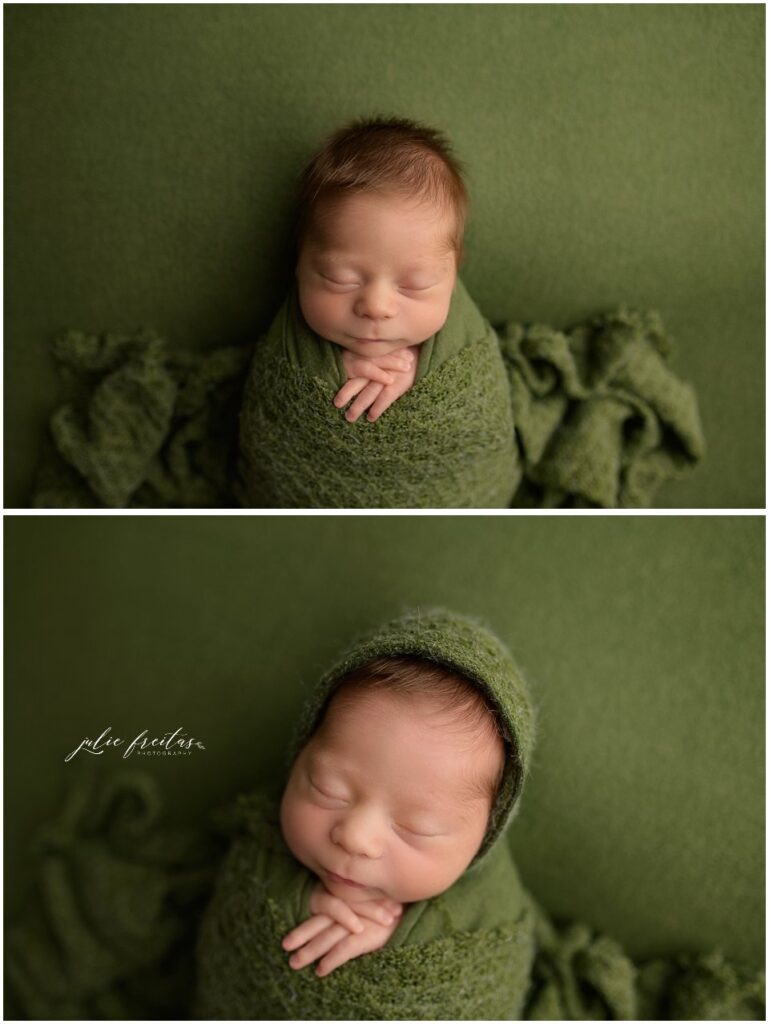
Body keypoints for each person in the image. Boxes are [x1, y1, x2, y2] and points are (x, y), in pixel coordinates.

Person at [292, 116, 468, 423]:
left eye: (416, 284)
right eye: (340, 279)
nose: (376, 307)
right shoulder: (290, 343)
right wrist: (324, 371)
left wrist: (422, 367)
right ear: (299, 263)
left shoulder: (460, 340)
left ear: (453, 278)